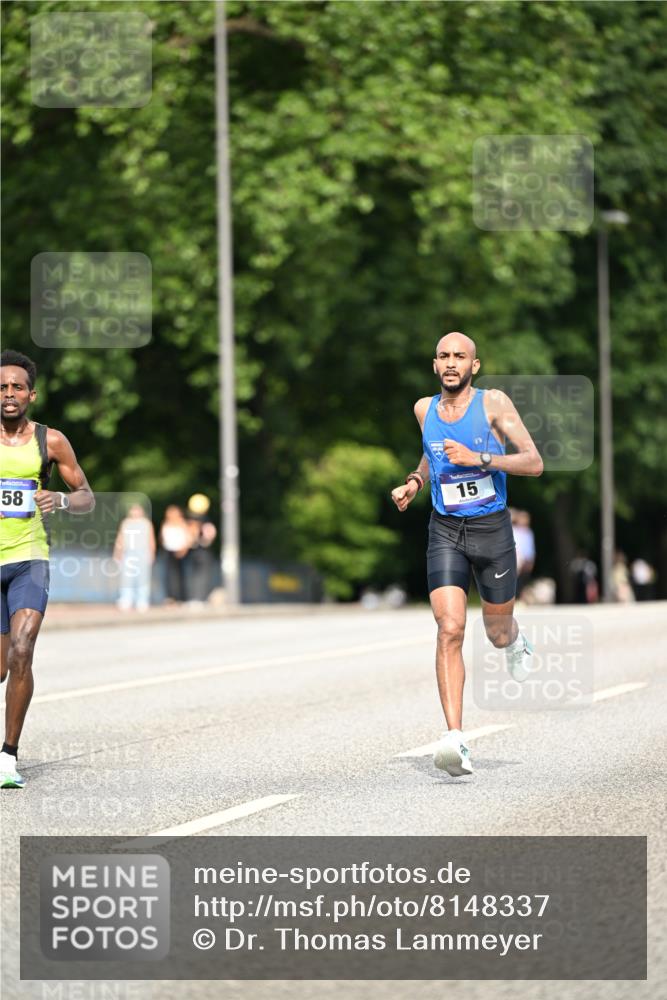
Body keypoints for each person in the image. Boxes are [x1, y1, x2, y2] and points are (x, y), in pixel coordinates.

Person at [391, 332, 543, 777]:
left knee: (495, 632)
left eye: (460, 356)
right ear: (434, 365)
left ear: (474, 366)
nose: (452, 362)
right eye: (444, 356)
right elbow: (430, 455)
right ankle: (455, 738)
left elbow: (533, 462)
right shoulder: (424, 409)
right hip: (445, 529)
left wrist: (480, 458)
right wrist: (415, 483)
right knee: (450, 628)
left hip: (492, 530)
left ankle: (514, 641)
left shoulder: (493, 404)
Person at [0, 350, 94, 788]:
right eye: (2, 387)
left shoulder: (50, 441)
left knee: (23, 649)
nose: (9, 394)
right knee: (1, 666)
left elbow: (86, 497)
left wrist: (57, 499)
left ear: (31, 395)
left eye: (17, 387)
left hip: (30, 559)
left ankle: (7, 756)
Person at [113, 502, 156, 612]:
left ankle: (142, 601)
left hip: (142, 552)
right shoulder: (126, 523)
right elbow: (120, 538)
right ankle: (126, 599)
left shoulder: (146, 523)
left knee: (143, 578)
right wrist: (117, 552)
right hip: (128, 552)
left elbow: (151, 539)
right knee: (126, 578)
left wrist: (152, 553)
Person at [159, 505, 190, 602]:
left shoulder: (182, 523)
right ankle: (170, 597)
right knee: (169, 575)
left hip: (180, 551)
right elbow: (162, 537)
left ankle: (180, 597)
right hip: (169, 550)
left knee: (179, 575)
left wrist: (184, 549)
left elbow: (187, 537)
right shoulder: (166, 523)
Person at [512, 509, 536, 599]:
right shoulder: (514, 530)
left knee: (524, 579)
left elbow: (531, 547)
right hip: (518, 558)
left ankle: (521, 596)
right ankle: (515, 597)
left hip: (527, 558)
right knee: (516, 578)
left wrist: (532, 559)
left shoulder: (529, 532)